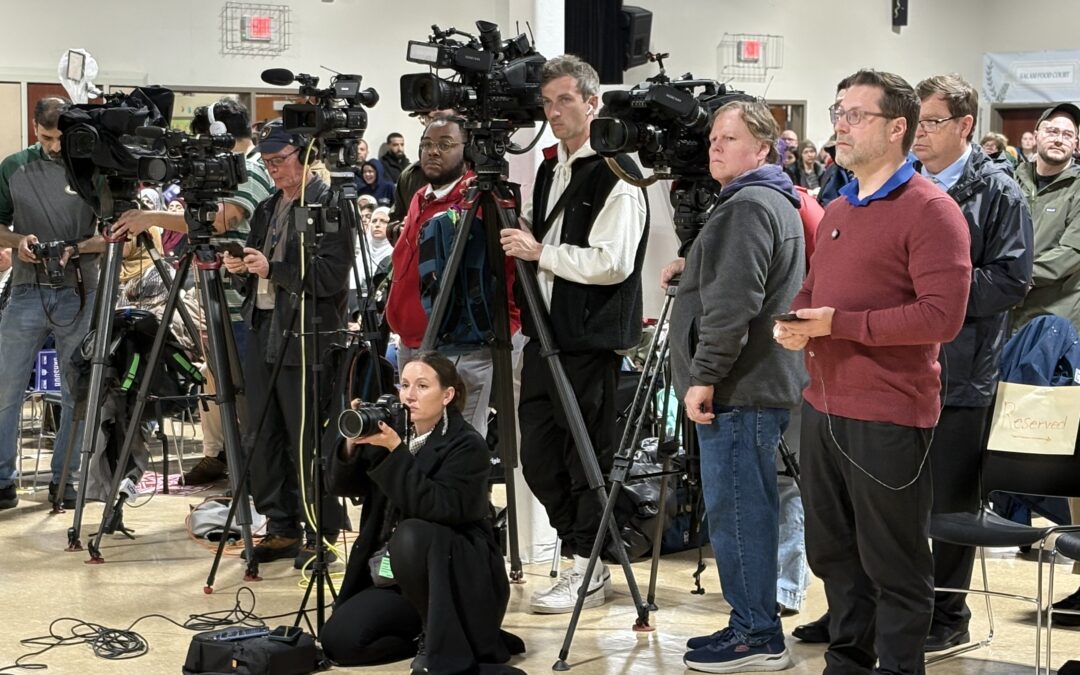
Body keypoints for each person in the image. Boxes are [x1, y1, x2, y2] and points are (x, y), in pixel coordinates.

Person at [775, 69, 972, 672]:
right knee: (834, 557)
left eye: (856, 114)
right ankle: (847, 663)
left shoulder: (932, 211)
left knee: (895, 564)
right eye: (839, 110)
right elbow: (816, 288)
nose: (840, 123)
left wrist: (840, 324)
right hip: (823, 407)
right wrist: (798, 322)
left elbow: (941, 318)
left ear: (896, 129)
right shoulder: (838, 206)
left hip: (888, 414)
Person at [500, 54, 649, 614]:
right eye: (547, 102)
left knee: (588, 458)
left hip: (589, 340)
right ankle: (588, 547)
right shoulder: (549, 168)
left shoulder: (619, 172)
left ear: (592, 102)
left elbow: (614, 261)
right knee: (538, 456)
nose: (554, 111)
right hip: (545, 333)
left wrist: (541, 251)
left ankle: (587, 564)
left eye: (565, 100)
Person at [670, 99, 806, 673]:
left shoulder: (748, 205)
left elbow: (732, 306)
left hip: (739, 386)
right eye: (711, 140)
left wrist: (704, 376)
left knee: (740, 512)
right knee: (745, 507)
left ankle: (757, 633)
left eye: (728, 139)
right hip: (753, 384)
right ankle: (750, 620)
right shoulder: (773, 200)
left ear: (762, 149)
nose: (715, 148)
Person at [911, 74, 1034, 652]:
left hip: (962, 370)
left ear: (965, 125)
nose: (918, 135)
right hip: (901, 365)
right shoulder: (902, 182)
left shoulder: (1000, 192)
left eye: (931, 122)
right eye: (913, 121)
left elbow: (1012, 279)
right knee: (893, 498)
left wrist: (937, 293)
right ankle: (891, 608)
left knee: (951, 504)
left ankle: (947, 617)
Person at [320, 352, 525, 673]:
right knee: (340, 642)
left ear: (447, 395)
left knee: (413, 532)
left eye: (422, 386)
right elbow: (341, 487)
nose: (409, 395)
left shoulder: (467, 444)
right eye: (403, 385)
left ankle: (442, 640)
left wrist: (395, 451)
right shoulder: (393, 433)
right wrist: (351, 444)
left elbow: (438, 507)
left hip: (452, 573)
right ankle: (433, 633)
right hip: (393, 577)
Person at [115, 98, 273, 486]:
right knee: (217, 379)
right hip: (217, 291)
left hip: (241, 301)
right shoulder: (227, 172)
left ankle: (256, 471)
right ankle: (226, 459)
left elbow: (219, 221)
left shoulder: (250, 170)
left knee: (246, 391)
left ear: (216, 139)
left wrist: (150, 216)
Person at [222, 119, 353, 565]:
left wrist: (271, 270)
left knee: (307, 437)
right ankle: (281, 526)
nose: (273, 170)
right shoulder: (268, 207)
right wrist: (241, 267)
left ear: (306, 156)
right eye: (268, 162)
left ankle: (322, 532)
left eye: (280, 161)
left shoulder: (329, 204)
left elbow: (333, 278)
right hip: (264, 327)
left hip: (308, 334)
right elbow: (262, 266)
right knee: (264, 433)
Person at [386, 115, 521, 437]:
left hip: (460, 347)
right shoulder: (421, 196)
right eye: (427, 145)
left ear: (467, 149)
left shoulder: (478, 201)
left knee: (458, 444)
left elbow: (505, 273)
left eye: (445, 145)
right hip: (412, 342)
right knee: (419, 442)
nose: (433, 152)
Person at [0, 96, 104, 510]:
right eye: (46, 138)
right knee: (6, 386)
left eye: (61, 138)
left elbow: (118, 233)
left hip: (80, 290)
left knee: (75, 389)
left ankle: (67, 479)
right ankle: (2, 480)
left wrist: (75, 249)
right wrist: (17, 241)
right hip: (26, 289)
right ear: (34, 127)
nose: (55, 147)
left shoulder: (93, 167)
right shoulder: (12, 166)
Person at [1011, 103, 1080, 333]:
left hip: (1054, 318)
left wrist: (1021, 277)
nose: (1059, 139)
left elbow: (1072, 252)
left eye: (1068, 135)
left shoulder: (1077, 188)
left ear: (1076, 143)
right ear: (1036, 134)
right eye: (1052, 131)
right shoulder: (1012, 180)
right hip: (1006, 312)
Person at [390, 109, 458, 222]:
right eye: (427, 144)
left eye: (439, 118)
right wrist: (401, 229)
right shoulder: (410, 176)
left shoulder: (474, 177)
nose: (433, 152)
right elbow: (394, 219)